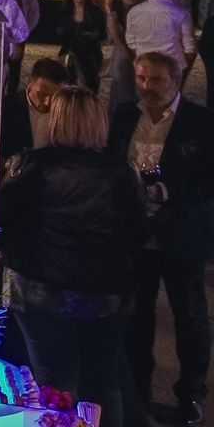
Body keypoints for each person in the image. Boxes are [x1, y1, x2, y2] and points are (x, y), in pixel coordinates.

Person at [0, 86, 145, 426]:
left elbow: (4, 219)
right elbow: (137, 234)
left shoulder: (31, 167)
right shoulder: (122, 173)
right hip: (107, 298)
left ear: (56, 121)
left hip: (43, 294)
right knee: (104, 384)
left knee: (53, 386)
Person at [111, 52, 214, 427]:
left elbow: (207, 182)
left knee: (189, 314)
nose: (146, 87)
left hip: (181, 234)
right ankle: (139, 390)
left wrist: (169, 192)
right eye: (140, 78)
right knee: (138, 314)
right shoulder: (125, 115)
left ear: (175, 80)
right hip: (137, 234)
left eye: (155, 80)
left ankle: (191, 394)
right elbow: (111, 163)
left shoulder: (201, 122)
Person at [125, 0, 196, 102]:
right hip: (173, 64)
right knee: (171, 101)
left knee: (146, 99)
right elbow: (189, 47)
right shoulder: (179, 12)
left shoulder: (134, 12)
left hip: (144, 65)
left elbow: (130, 42)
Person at [1, 58, 74, 165]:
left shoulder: (67, 112)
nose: (47, 103)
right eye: (42, 94)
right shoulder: (5, 107)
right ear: (30, 81)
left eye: (55, 97)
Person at [53, 0, 108, 92]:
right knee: (69, 84)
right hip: (70, 52)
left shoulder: (95, 12)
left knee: (90, 84)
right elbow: (58, 30)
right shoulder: (64, 11)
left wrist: (90, 35)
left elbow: (102, 33)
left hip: (91, 53)